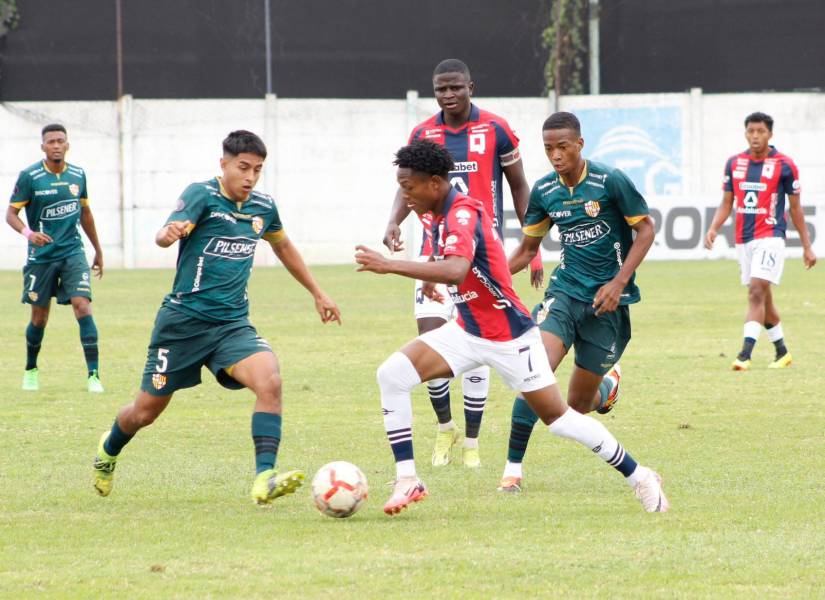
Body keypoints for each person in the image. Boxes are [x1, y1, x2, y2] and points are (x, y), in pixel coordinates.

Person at [356, 139, 669, 516]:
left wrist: (391, 265)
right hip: (468, 331)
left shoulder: (463, 213)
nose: (404, 196)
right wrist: (427, 281)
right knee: (391, 375)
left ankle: (642, 477)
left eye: (409, 187)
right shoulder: (434, 210)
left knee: (561, 419)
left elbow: (457, 268)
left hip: (509, 337)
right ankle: (408, 479)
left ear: (435, 183)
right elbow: (450, 264)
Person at [91, 130, 341, 505]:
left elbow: (283, 245)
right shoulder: (201, 196)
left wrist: (317, 292)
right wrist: (168, 234)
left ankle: (264, 478)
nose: (250, 177)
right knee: (144, 414)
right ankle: (107, 453)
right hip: (182, 325)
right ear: (223, 164)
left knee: (270, 381)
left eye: (257, 170)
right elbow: (163, 234)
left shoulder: (263, 206)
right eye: (243, 168)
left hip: (232, 326)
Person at [382, 58, 543, 469]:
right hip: (434, 251)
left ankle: (471, 441)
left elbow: (519, 186)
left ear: (471, 85)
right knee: (431, 333)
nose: (449, 95)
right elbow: (408, 184)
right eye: (441, 89)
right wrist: (394, 222)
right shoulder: (424, 133)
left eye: (456, 87)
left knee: (479, 335)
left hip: (481, 256)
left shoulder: (496, 129)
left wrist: (534, 245)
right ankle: (444, 426)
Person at [495, 111, 656, 493]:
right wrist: (483, 277)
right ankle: (512, 471)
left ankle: (606, 390)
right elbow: (526, 250)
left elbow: (646, 229)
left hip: (608, 304)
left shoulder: (609, 181)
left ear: (579, 144)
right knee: (535, 374)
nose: (555, 155)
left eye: (562, 147)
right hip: (564, 294)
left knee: (577, 405)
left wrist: (619, 282)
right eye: (549, 148)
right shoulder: (546, 191)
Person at [705, 111, 816, 371]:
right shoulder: (734, 163)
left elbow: (796, 209)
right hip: (743, 240)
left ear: (770, 134)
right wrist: (713, 227)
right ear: (746, 133)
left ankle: (745, 354)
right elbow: (726, 202)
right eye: (751, 131)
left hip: (771, 237)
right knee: (763, 299)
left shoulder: (784, 165)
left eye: (761, 131)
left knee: (755, 292)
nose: (755, 136)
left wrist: (807, 246)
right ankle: (782, 352)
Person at [6, 124, 105, 393]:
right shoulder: (30, 176)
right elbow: (11, 215)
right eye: (51, 141)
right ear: (43, 147)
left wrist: (97, 249)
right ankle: (31, 369)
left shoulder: (77, 175)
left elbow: (86, 214)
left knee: (82, 306)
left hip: (73, 252)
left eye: (61, 141)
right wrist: (29, 233)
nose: (56, 145)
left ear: (67, 145)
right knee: (39, 318)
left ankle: (93, 376)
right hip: (41, 257)